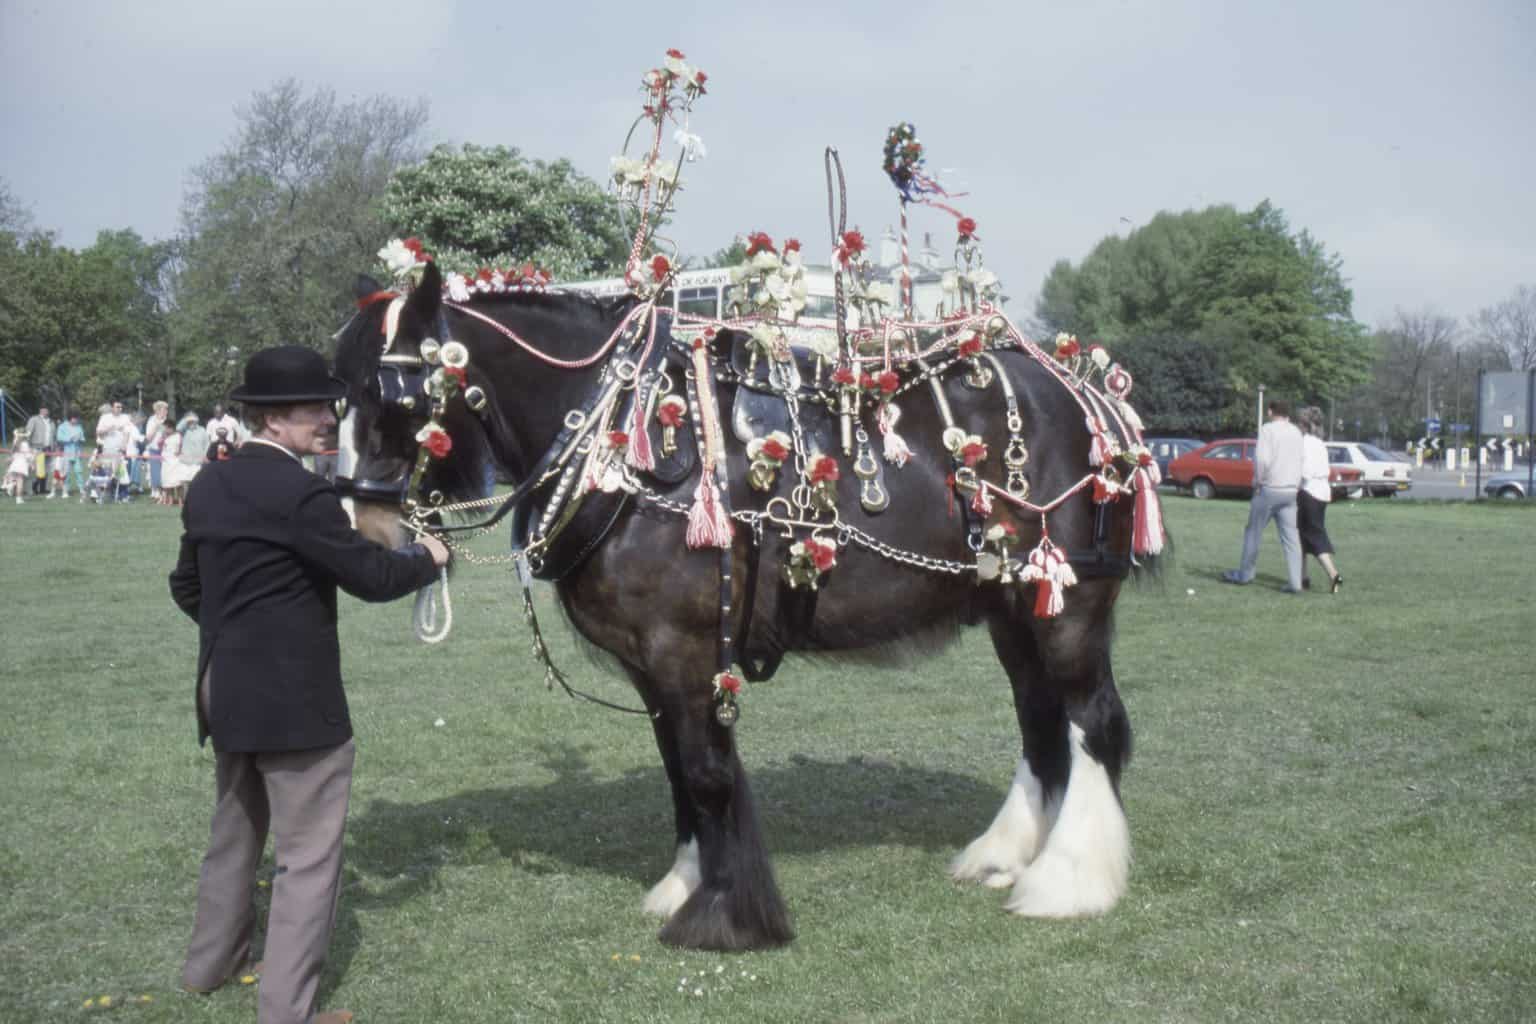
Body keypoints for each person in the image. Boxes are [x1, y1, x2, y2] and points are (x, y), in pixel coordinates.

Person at [169, 345, 449, 1024]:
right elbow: (372, 578)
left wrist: (239, 635)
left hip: (225, 689)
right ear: (271, 417)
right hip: (294, 705)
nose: (329, 418)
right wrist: (428, 557)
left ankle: (210, 965)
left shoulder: (209, 483)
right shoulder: (303, 494)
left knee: (235, 835)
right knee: (308, 860)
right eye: (315, 408)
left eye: (331, 406)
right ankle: (286, 1013)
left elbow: (186, 586)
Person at [1223, 399, 1305, 592]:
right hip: (1291, 490)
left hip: (1270, 488)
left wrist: (1258, 481)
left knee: (1253, 532)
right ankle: (1295, 582)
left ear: (1270, 411)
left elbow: (1262, 459)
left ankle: (1245, 574)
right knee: (1291, 537)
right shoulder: (1296, 432)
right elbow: (1301, 460)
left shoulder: (1268, 430)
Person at [1297, 407, 1343, 593]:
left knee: (1314, 537)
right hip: (1322, 492)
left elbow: (1305, 472)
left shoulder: (1304, 443)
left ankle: (1334, 576)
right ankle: (1302, 577)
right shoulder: (1320, 443)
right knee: (1301, 536)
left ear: (1305, 425)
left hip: (1308, 492)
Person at [24, 406, 54, 495]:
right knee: (38, 470)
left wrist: (54, 446)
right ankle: (34, 488)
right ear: (40, 410)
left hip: (49, 448)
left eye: (47, 410)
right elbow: (28, 432)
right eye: (43, 410)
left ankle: (43, 488)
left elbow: (53, 436)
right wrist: (28, 446)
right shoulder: (34, 419)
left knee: (46, 469)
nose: (45, 411)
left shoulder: (51, 422)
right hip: (37, 448)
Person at [144, 400, 171, 501]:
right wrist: (156, 427)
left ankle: (165, 493)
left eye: (166, 409)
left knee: (165, 472)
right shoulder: (151, 420)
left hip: (165, 450)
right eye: (165, 409)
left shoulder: (167, 420)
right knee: (155, 471)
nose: (166, 411)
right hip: (154, 449)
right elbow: (148, 438)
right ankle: (156, 491)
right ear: (158, 410)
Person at [5, 436, 32, 503]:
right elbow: (28, 456)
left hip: (14, 464)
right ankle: (18, 498)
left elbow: (12, 455)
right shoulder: (25, 444)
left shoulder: (15, 443)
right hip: (22, 465)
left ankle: (10, 485)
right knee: (20, 482)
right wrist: (31, 463)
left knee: (15, 480)